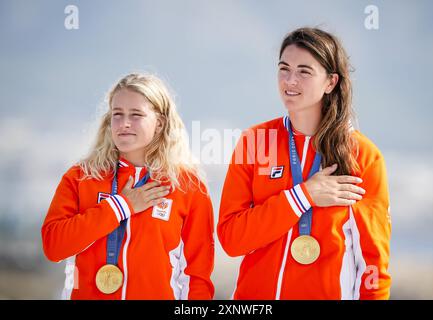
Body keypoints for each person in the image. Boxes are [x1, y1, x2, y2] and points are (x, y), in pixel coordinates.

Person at [218, 27, 391, 299]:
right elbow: (231, 239)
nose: (290, 80)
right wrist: (303, 196)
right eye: (284, 69)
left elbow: (373, 263)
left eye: (304, 71)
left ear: (330, 82)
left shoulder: (363, 155)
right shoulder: (254, 142)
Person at [42, 73, 214, 300]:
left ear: (159, 123)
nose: (124, 123)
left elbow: (197, 278)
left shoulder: (187, 187)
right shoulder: (81, 177)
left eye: (136, 115)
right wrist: (120, 206)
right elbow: (54, 247)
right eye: (117, 114)